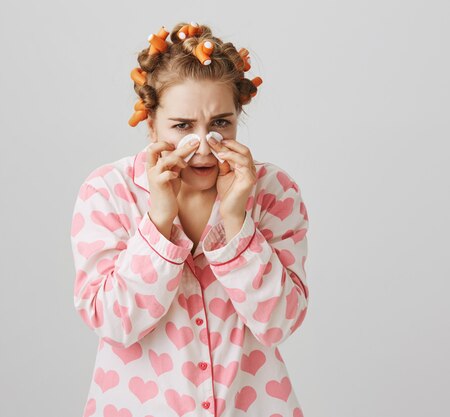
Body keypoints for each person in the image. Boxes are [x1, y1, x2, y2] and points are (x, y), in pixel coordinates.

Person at [70, 21, 309, 417]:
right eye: (182, 126)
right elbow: (113, 322)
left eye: (220, 124)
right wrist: (158, 221)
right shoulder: (108, 191)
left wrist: (236, 220)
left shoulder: (273, 191)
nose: (204, 146)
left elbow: (278, 323)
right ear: (150, 124)